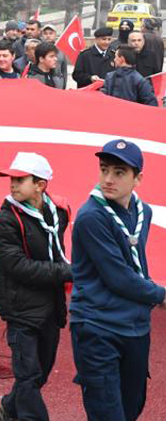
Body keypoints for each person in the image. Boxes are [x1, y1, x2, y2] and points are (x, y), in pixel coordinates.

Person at [69, 140, 164, 421]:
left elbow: (136, 264)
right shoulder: (91, 217)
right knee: (107, 413)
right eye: (104, 170)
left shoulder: (143, 211)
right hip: (97, 325)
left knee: (132, 407)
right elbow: (118, 277)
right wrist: (160, 295)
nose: (108, 179)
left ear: (138, 178)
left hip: (135, 327)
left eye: (119, 172)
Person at [0, 153, 72, 421]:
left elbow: (58, 251)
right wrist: (67, 272)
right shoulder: (6, 220)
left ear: (40, 185)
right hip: (20, 310)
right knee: (28, 375)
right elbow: (16, 266)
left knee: (39, 376)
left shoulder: (58, 212)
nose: (13, 184)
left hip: (51, 308)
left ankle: (9, 406)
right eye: (12, 179)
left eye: (20, 179)